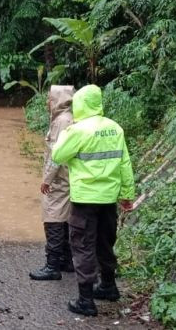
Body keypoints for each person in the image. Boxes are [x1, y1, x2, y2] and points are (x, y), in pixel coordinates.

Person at [51, 84, 135, 317]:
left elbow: (58, 155)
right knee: (105, 243)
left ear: (79, 104)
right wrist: (127, 195)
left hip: (85, 199)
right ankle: (108, 286)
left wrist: (68, 133)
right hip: (108, 199)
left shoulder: (77, 130)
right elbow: (125, 163)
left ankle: (86, 300)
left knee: (83, 246)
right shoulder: (115, 128)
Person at [29, 85, 76, 281]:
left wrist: (46, 179)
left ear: (58, 100)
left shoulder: (62, 122)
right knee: (64, 217)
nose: (47, 103)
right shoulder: (67, 118)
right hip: (68, 177)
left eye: (50, 99)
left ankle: (53, 265)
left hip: (60, 178)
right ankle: (66, 260)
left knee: (53, 217)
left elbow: (56, 155)